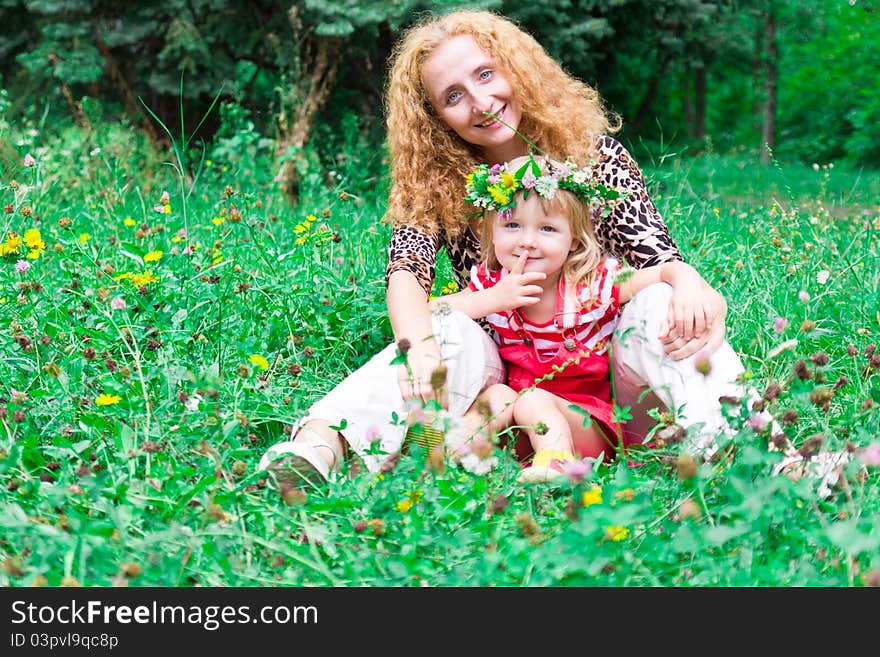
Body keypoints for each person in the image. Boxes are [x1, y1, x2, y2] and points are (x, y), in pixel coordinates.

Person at [257, 9, 832, 491]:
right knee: (439, 331)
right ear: (434, 118)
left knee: (659, 307)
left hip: (609, 378)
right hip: (502, 385)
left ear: (515, 69)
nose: (480, 102)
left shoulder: (591, 154)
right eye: (453, 96)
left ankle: (766, 458)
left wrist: (693, 285)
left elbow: (654, 256)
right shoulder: (437, 176)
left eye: (486, 75)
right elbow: (407, 272)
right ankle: (319, 449)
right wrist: (419, 348)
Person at [432, 153, 743, 483]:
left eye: (548, 228)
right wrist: (491, 299)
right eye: (511, 225)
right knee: (498, 398)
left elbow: (661, 273)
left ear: (574, 240)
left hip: (591, 429)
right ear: (492, 232)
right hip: (526, 423)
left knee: (529, 400)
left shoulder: (589, 287)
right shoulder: (492, 286)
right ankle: (449, 456)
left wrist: (688, 284)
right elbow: (430, 312)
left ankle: (558, 465)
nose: (527, 240)